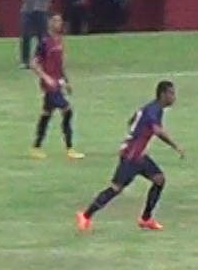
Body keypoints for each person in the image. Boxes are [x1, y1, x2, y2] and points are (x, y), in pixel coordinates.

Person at [77, 80, 183, 232]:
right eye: (171, 93)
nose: (174, 97)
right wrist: (175, 146)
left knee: (159, 179)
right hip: (131, 156)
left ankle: (146, 219)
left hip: (138, 155)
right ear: (163, 94)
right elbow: (158, 131)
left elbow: (133, 119)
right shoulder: (153, 110)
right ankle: (86, 216)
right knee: (116, 189)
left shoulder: (151, 108)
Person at [29, 12, 83, 160]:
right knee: (67, 110)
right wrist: (46, 78)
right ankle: (70, 148)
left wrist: (66, 81)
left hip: (57, 84)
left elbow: (59, 66)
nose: (58, 23)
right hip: (50, 86)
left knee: (46, 114)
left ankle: (37, 146)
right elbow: (33, 64)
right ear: (49, 23)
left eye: (60, 20)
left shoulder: (59, 41)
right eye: (55, 21)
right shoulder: (44, 42)